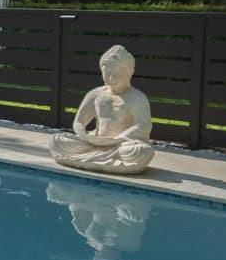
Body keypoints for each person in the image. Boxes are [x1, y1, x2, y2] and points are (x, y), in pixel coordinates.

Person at [49, 45, 155, 175]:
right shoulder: (95, 94)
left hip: (119, 145)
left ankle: (90, 158)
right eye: (107, 71)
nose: (111, 76)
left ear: (129, 72)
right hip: (93, 142)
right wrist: (84, 135)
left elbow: (143, 125)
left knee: (142, 151)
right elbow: (79, 121)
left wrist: (117, 139)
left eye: (117, 71)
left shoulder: (137, 97)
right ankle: (100, 158)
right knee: (57, 140)